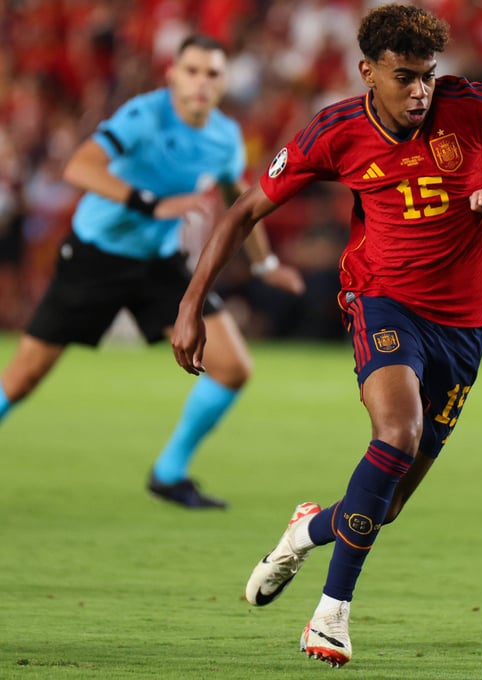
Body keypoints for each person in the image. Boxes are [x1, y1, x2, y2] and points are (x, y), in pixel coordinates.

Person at [169, 4, 482, 668]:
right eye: (404, 77)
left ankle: (304, 532)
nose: (420, 91)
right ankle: (331, 614)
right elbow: (244, 211)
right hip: (382, 301)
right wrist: (192, 303)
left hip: (466, 325)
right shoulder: (334, 132)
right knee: (397, 435)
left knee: (385, 505)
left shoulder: (475, 105)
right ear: (367, 71)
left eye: (427, 75)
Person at [0, 35, 304, 509]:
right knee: (23, 377)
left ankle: (169, 473)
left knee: (232, 368)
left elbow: (241, 203)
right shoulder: (144, 115)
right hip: (95, 257)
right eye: (192, 71)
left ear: (224, 82)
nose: (201, 82)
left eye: (212, 73)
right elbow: (79, 168)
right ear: (172, 76)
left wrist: (265, 265)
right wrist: (152, 204)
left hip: (158, 263)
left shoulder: (224, 136)